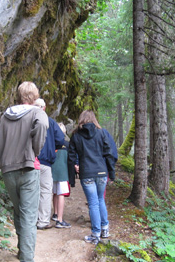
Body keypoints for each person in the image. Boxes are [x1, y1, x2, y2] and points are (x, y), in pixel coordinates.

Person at [0, 82, 49, 262]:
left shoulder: (5, 115)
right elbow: (43, 126)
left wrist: (4, 161)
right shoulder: (37, 113)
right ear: (35, 96)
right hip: (27, 169)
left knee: (19, 211)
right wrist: (36, 150)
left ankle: (21, 250)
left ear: (19, 96)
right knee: (28, 216)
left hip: (8, 170)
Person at [68, 110, 115, 245]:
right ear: (94, 119)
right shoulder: (101, 133)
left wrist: (72, 178)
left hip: (87, 173)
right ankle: (104, 229)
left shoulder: (76, 136)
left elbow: (71, 157)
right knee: (100, 200)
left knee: (93, 203)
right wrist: (111, 173)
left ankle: (95, 234)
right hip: (101, 173)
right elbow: (109, 153)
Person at [34, 99, 65, 230]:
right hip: (45, 162)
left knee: (31, 190)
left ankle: (30, 220)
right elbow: (60, 139)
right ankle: (43, 221)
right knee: (45, 191)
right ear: (44, 108)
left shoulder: (29, 120)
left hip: (31, 161)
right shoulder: (51, 122)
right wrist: (52, 147)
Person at [51, 123, 71, 229]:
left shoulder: (51, 143)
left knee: (54, 193)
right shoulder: (67, 144)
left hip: (52, 171)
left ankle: (55, 213)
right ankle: (60, 219)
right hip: (63, 172)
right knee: (61, 194)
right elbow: (70, 159)